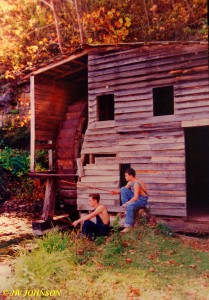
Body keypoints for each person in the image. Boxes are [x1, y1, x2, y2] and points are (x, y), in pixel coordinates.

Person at [111, 168, 148, 233]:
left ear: (130, 176)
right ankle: (126, 209)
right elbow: (123, 190)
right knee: (123, 189)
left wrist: (128, 203)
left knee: (130, 205)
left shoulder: (136, 184)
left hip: (142, 200)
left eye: (126, 175)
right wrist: (115, 192)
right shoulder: (130, 182)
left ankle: (128, 226)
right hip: (137, 197)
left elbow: (135, 197)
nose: (125, 177)